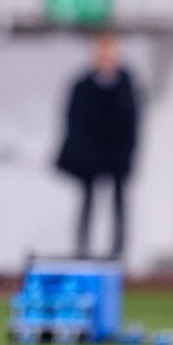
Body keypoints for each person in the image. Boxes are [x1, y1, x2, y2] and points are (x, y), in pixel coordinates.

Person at [56, 33, 138, 260]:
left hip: (117, 155)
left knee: (119, 202)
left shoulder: (126, 86)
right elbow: (74, 121)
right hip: (90, 156)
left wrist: (127, 154)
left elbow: (132, 123)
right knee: (87, 201)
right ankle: (83, 249)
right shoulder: (83, 86)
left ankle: (118, 249)